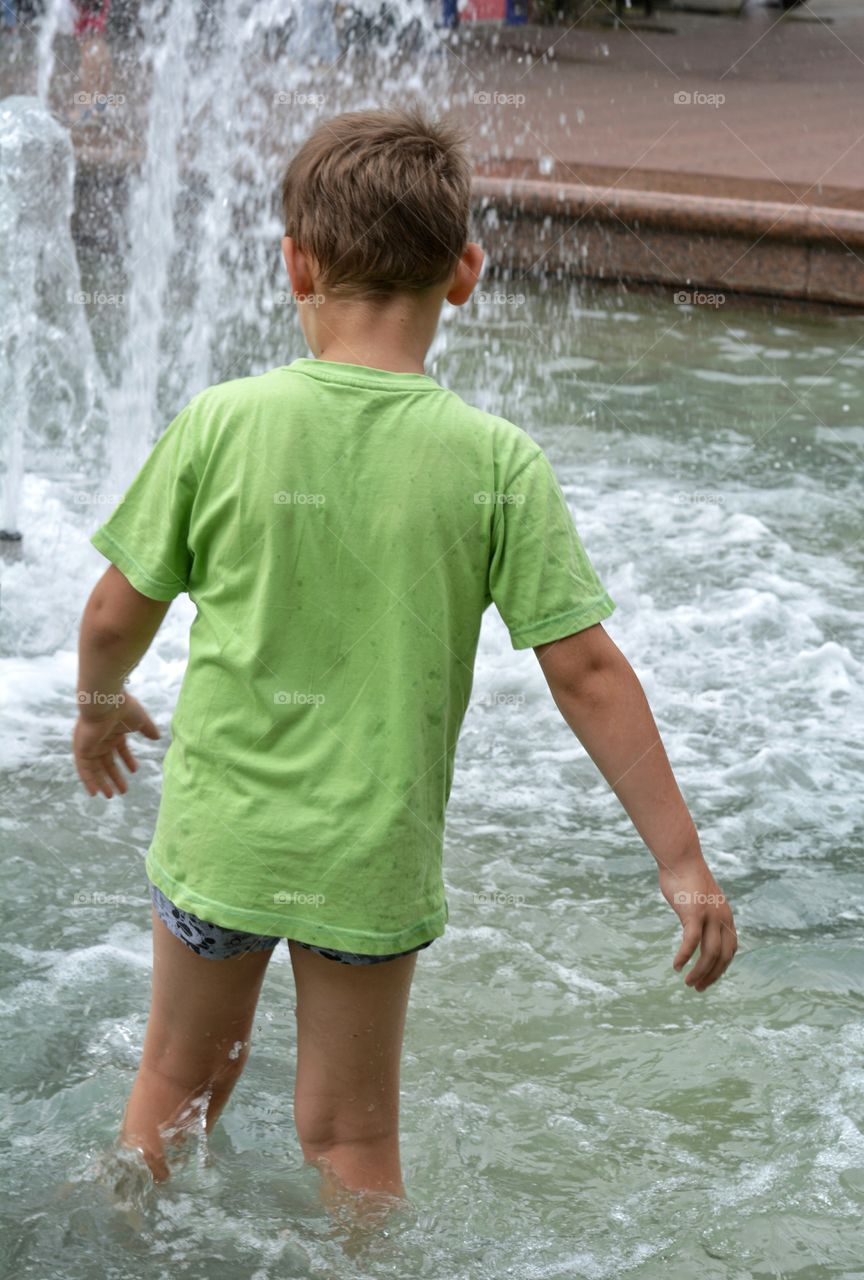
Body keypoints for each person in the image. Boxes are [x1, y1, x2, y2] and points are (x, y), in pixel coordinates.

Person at [73, 106, 737, 1212]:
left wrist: (99, 709)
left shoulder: (224, 421)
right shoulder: (496, 461)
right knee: (350, 1137)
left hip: (222, 839)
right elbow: (587, 672)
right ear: (466, 272)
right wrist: (681, 860)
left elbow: (108, 614)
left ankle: (113, 1241)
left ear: (296, 262)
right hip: (370, 859)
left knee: (175, 1086)